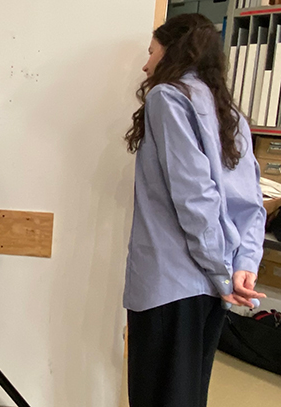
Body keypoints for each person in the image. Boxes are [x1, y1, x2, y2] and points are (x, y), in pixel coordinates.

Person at [123, 13, 267, 407]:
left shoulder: (167, 97)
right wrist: (241, 266)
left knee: (157, 396)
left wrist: (222, 272)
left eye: (151, 52)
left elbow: (194, 197)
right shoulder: (227, 110)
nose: (145, 64)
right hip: (211, 290)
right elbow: (249, 202)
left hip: (170, 283)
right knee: (188, 397)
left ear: (172, 51)